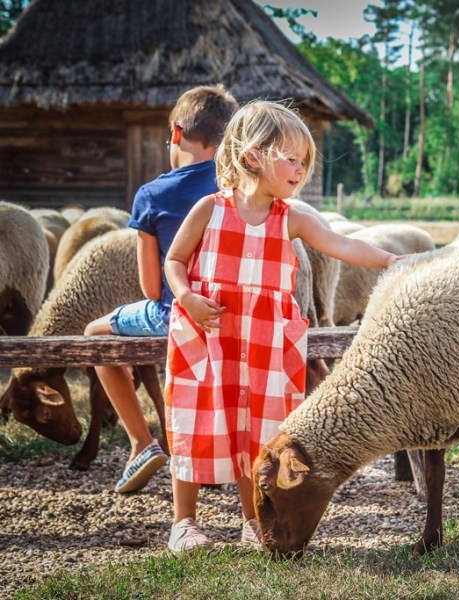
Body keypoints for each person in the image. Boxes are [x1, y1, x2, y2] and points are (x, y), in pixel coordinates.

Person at [163, 100, 401, 553]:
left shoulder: (290, 218)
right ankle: (184, 521)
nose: (300, 169)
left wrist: (392, 259)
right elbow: (174, 259)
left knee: (259, 433)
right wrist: (187, 297)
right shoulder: (209, 210)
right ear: (253, 156)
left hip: (266, 343)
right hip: (211, 338)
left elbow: (342, 243)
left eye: (304, 161)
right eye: (291, 158)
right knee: (198, 423)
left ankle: (253, 521)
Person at [84, 85, 239, 494]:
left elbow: (152, 288)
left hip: (178, 312)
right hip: (237, 312)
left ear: (175, 132)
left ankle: (141, 442)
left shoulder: (152, 194)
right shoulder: (241, 186)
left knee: (94, 336)